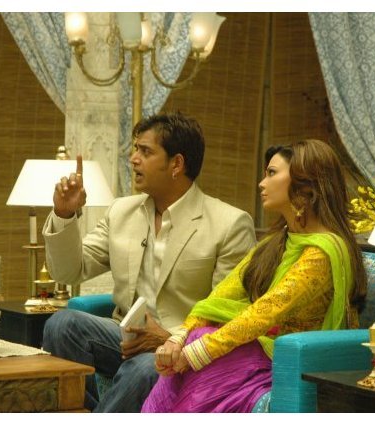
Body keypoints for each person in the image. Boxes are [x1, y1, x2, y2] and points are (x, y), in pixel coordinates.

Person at [41, 112, 256, 412]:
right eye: (135, 149)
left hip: (181, 349)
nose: (133, 159)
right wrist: (64, 213)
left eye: (145, 151)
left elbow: (228, 316)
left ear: (176, 164)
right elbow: (69, 271)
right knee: (62, 324)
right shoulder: (121, 212)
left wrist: (169, 339)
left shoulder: (229, 224)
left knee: (145, 368)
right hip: (124, 338)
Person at [142, 139, 367, 413]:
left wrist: (194, 353)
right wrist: (178, 338)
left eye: (272, 173)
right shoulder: (275, 243)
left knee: (200, 343)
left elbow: (265, 312)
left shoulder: (322, 252)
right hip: (255, 349)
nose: (261, 183)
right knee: (197, 334)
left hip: (287, 361)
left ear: (305, 185)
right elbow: (220, 296)